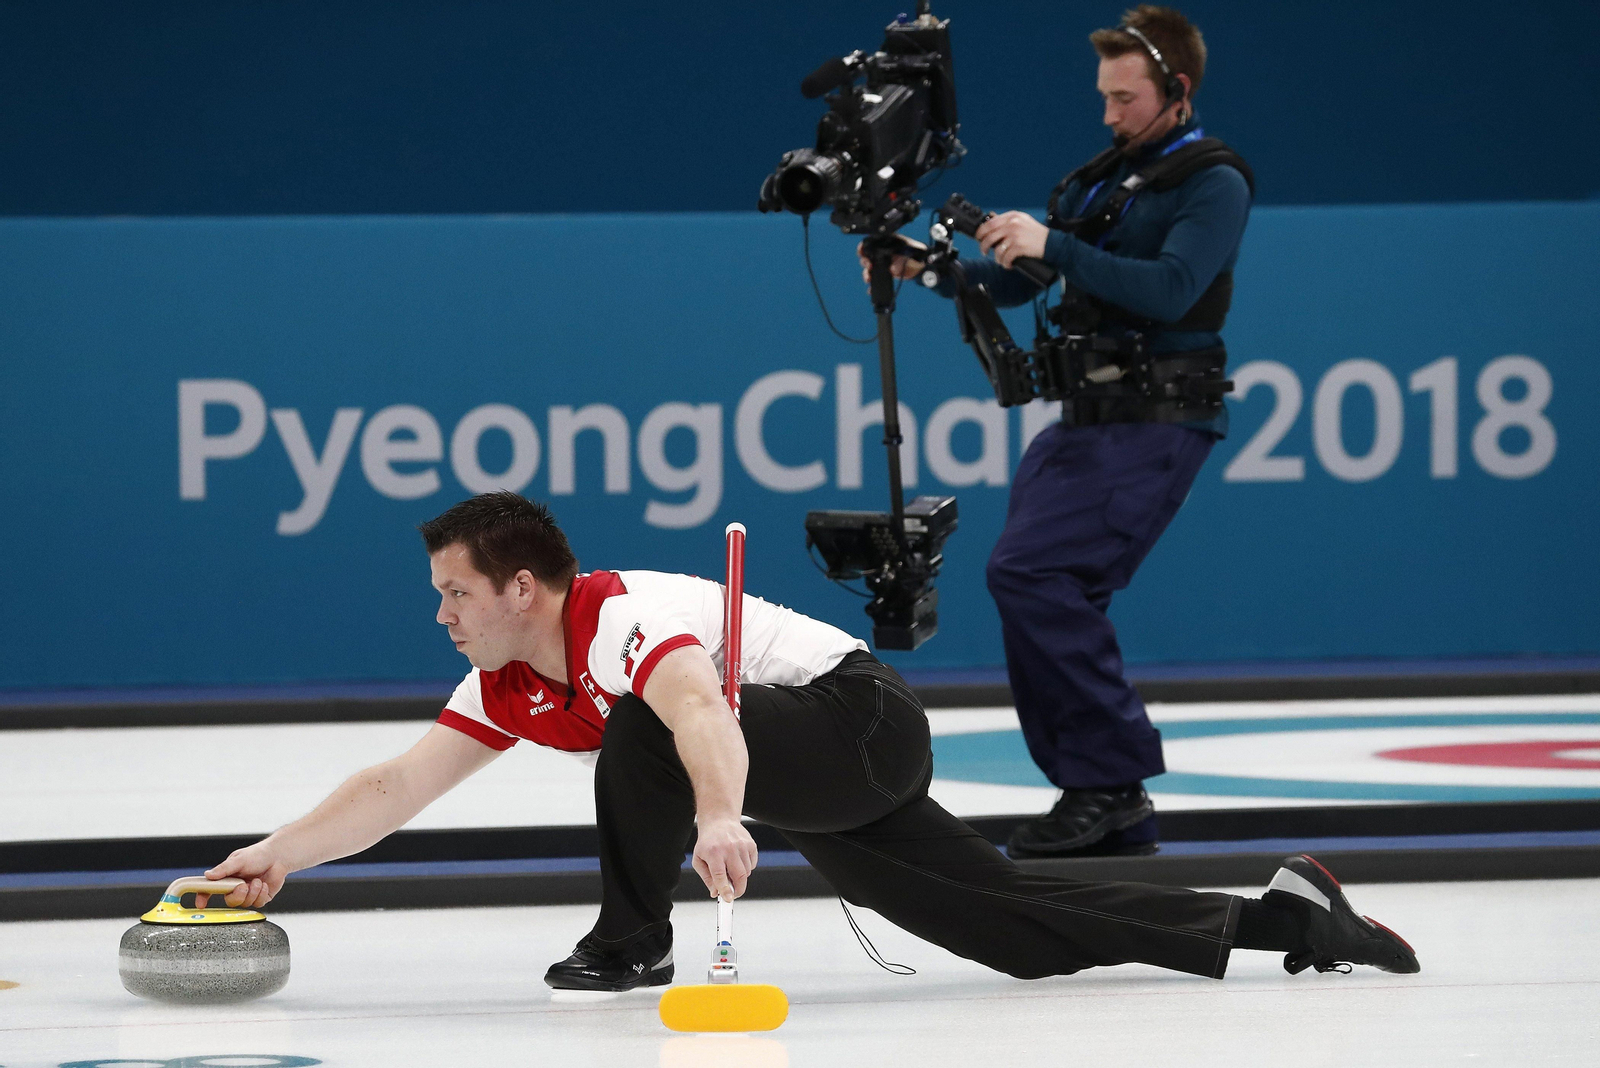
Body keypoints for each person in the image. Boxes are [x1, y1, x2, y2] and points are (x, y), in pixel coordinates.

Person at [203, 491, 1416, 990]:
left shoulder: (616, 621)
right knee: (998, 927)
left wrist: (723, 816)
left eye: (454, 593)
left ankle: (631, 944)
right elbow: (396, 783)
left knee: (639, 729)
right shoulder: (514, 675)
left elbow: (693, 714)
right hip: (791, 763)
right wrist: (277, 855)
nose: (442, 613)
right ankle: (1281, 915)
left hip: (853, 722)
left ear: (522, 587)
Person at [860, 6, 1250, 859]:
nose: (1109, 114)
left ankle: (1108, 782)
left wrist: (1055, 247)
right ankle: (1107, 800)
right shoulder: (1100, 181)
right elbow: (1019, 283)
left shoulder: (1213, 181)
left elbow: (1173, 289)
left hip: (1156, 420)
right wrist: (926, 268)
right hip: (1083, 423)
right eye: (1104, 97)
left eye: (1125, 97)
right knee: (1029, 581)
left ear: (1175, 92)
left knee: (1035, 573)